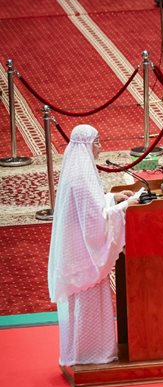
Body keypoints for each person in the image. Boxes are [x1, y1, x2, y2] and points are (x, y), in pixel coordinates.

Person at [48, 125, 141, 366]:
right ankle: (88, 354)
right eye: (97, 142)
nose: (101, 147)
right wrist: (127, 205)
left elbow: (92, 207)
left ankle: (82, 351)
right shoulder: (81, 178)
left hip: (77, 250)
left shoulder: (78, 172)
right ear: (88, 145)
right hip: (83, 256)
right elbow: (95, 222)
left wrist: (113, 198)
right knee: (87, 304)